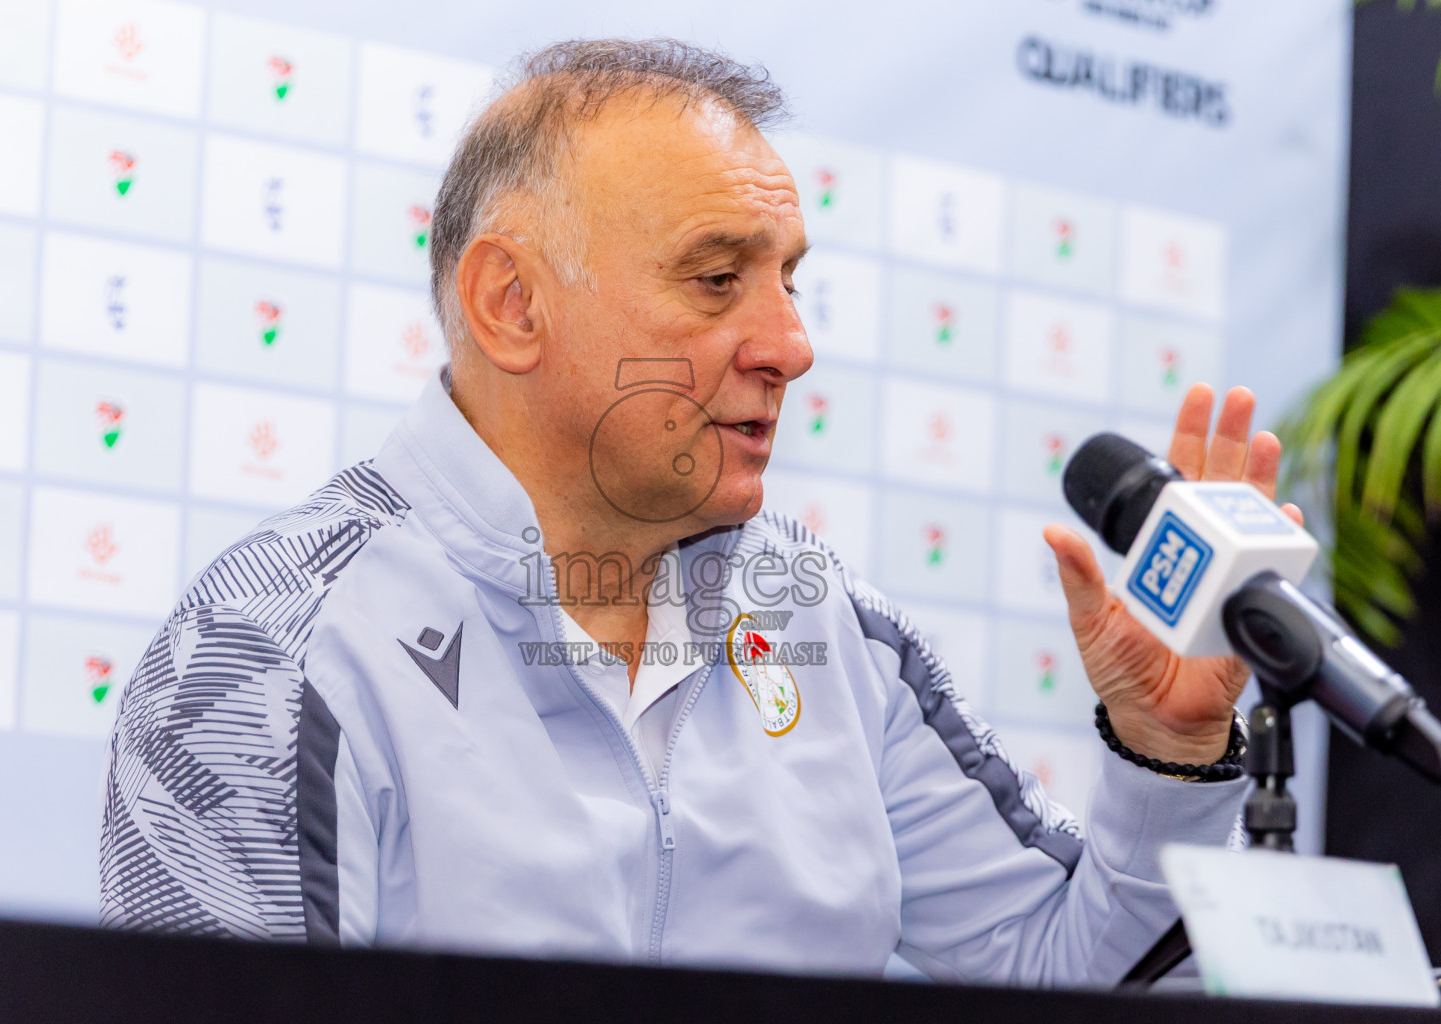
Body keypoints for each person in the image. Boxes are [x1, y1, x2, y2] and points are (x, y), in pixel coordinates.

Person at [100, 39, 1298, 983]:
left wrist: (1167, 752)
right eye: (718, 277)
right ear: (512, 302)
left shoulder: (823, 622)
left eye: (790, 279)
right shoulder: (267, 652)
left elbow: (1069, 965)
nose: (791, 344)